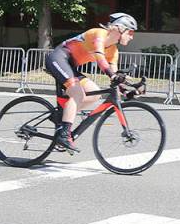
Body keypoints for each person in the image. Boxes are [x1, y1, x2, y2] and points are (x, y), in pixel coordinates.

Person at [44, 12, 137, 152]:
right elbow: (100, 57)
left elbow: (114, 76)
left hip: (70, 66)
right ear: (119, 28)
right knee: (77, 94)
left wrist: (128, 90)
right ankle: (63, 135)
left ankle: (63, 117)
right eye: (130, 32)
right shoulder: (99, 34)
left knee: (94, 94)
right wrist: (112, 75)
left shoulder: (113, 51)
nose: (132, 37)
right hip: (58, 58)